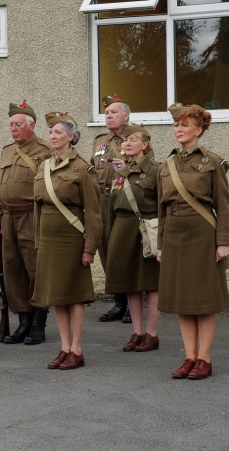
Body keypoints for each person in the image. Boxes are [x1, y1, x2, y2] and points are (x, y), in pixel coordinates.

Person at [157, 103, 229, 380]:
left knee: (204, 300)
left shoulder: (212, 162)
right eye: (176, 125)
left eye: (185, 125)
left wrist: (222, 242)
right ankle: (189, 356)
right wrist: (161, 244)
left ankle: (205, 358)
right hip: (174, 235)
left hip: (202, 234)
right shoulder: (166, 165)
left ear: (199, 130)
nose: (178, 129)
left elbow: (224, 206)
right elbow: (161, 209)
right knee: (182, 300)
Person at [33, 111, 101, 370]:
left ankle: (77, 349)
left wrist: (90, 247)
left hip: (71, 238)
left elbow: (93, 212)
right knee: (57, 296)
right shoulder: (44, 166)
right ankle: (64, 347)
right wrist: (38, 240)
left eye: (58, 132)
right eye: (50, 132)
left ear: (71, 138)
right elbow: (37, 208)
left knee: (74, 296)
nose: (52, 136)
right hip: (49, 239)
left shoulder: (82, 167)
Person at [0, 101, 52, 344]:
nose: (13, 129)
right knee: (12, 270)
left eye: (18, 124)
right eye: (11, 125)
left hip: (31, 216)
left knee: (35, 269)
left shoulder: (45, 150)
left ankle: (38, 323)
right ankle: (23, 321)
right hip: (7, 217)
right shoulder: (7, 150)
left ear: (32, 125)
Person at [106, 123, 161, 352]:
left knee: (150, 284)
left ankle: (152, 333)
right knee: (130, 284)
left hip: (146, 230)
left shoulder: (157, 171)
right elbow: (112, 207)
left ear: (145, 145)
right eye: (124, 141)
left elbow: (162, 205)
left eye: (132, 140)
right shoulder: (120, 173)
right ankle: (137, 332)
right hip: (123, 229)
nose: (126, 144)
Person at [91, 94, 131, 323]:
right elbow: (90, 170)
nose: (108, 116)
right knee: (106, 250)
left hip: (125, 200)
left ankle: (132, 302)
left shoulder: (137, 137)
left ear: (125, 115)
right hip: (103, 200)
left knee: (124, 250)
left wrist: (128, 166)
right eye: (106, 113)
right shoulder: (99, 141)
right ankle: (119, 302)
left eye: (113, 112)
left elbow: (147, 168)